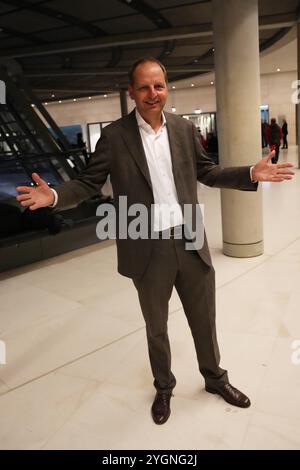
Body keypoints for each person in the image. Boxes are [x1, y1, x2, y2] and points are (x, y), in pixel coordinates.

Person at [16, 58, 294, 425]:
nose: (153, 94)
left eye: (159, 86)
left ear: (167, 88)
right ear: (131, 92)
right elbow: (87, 183)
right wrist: (53, 196)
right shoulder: (115, 137)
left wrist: (249, 173)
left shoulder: (182, 128)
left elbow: (206, 171)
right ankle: (164, 387)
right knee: (156, 326)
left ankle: (214, 378)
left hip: (190, 238)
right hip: (146, 245)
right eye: (144, 87)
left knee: (204, 319)